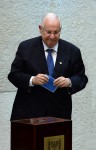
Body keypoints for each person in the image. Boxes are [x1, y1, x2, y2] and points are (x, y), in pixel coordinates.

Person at [8, 13, 88, 121]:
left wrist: (69, 82)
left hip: (59, 114)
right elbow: (13, 75)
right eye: (48, 32)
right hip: (28, 113)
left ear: (60, 30)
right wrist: (32, 80)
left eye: (56, 32)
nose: (52, 36)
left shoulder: (72, 51)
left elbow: (82, 77)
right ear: (40, 29)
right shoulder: (26, 47)